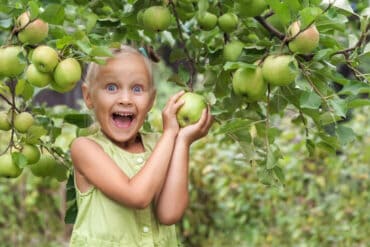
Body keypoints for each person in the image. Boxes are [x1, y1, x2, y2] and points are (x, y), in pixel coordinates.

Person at [69, 45, 213, 246]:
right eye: (111, 87)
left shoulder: (160, 145)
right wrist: (170, 134)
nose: (126, 99)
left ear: (151, 100)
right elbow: (137, 195)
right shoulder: (85, 148)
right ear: (88, 97)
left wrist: (182, 142)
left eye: (137, 89)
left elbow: (169, 214)